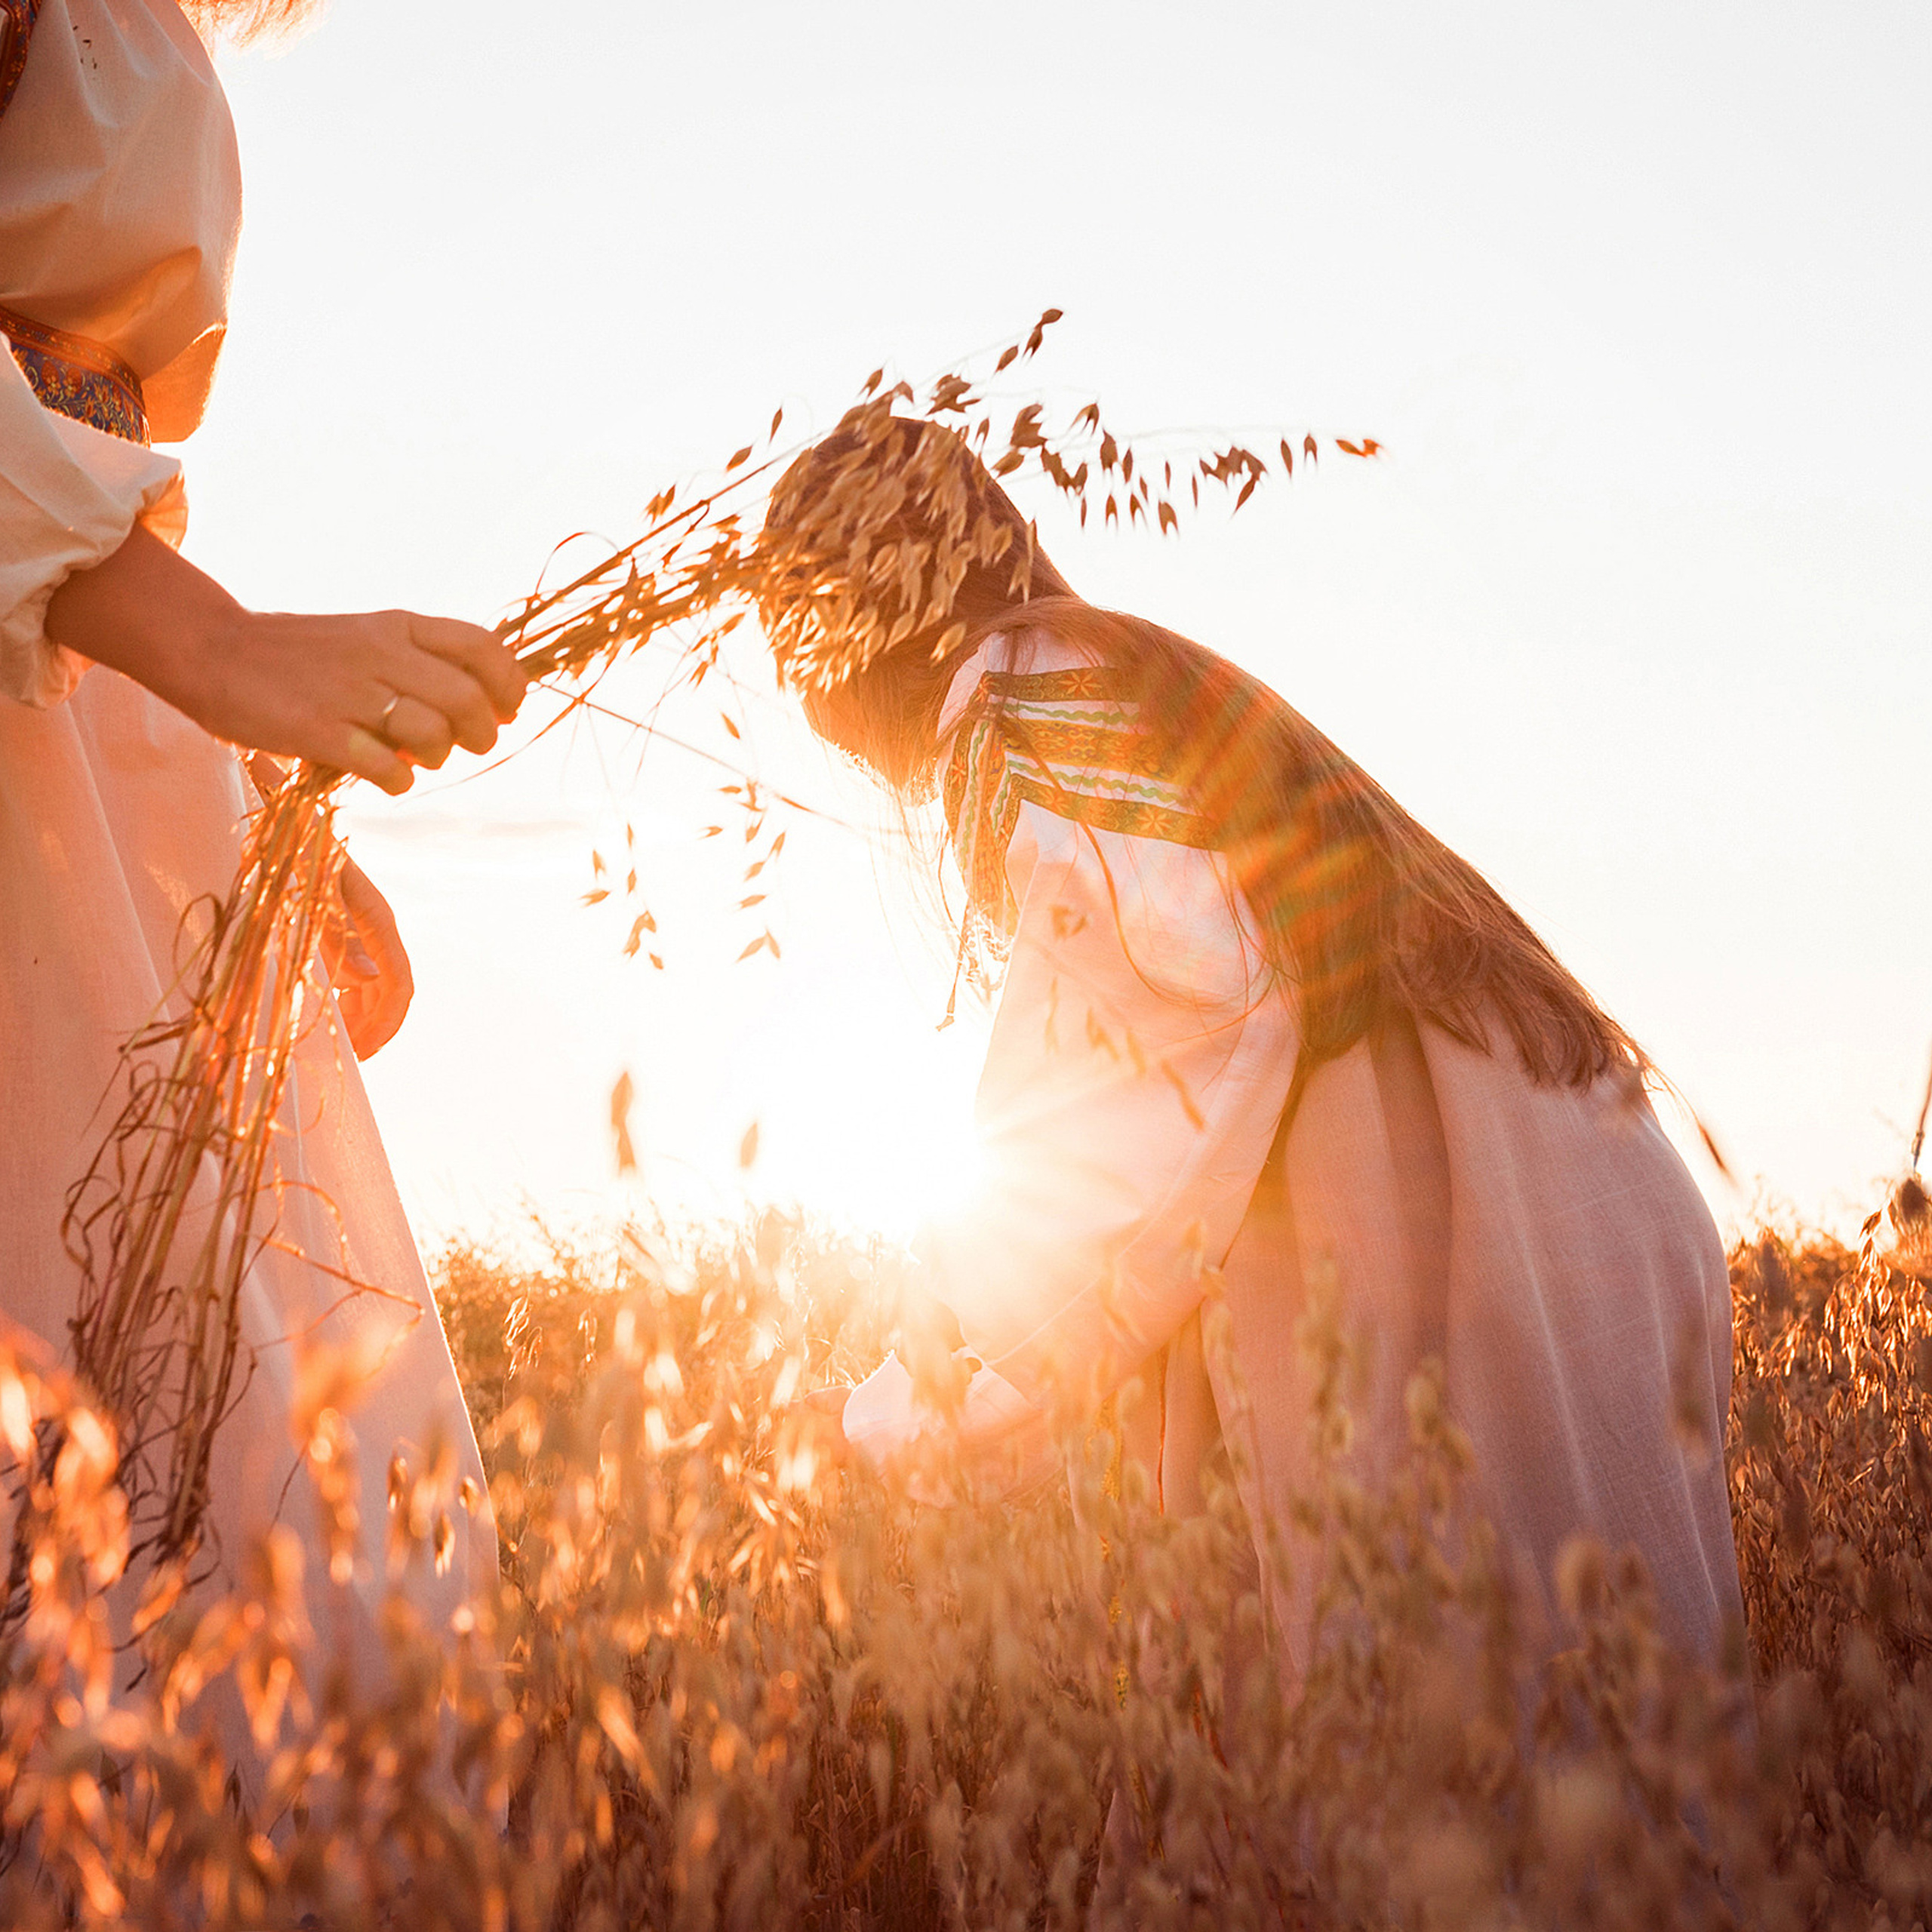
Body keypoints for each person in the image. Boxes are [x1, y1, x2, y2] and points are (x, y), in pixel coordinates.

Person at [767, 415, 1745, 1675]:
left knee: (1442, 1772)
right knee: (1632, 1753)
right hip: (1585, 1182)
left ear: (849, 626)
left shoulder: (1011, 702)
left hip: (1452, 1223)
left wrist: (903, 1396)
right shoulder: (1140, 673)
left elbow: (1130, 1092)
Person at [0, 0, 520, 1782]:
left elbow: (88, 484)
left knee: (236, 1416)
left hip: (85, 698)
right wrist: (215, 656)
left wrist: (241, 786)